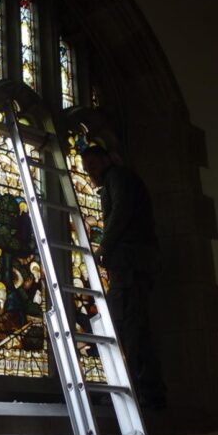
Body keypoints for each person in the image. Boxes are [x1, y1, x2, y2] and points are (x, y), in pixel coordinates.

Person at [80, 145, 167, 410]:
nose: (91, 172)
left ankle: (131, 392)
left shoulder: (118, 176)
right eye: (87, 169)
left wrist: (103, 247)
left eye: (93, 165)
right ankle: (150, 393)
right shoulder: (116, 179)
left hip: (130, 265)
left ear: (107, 159)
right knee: (138, 329)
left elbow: (121, 211)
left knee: (127, 328)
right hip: (134, 264)